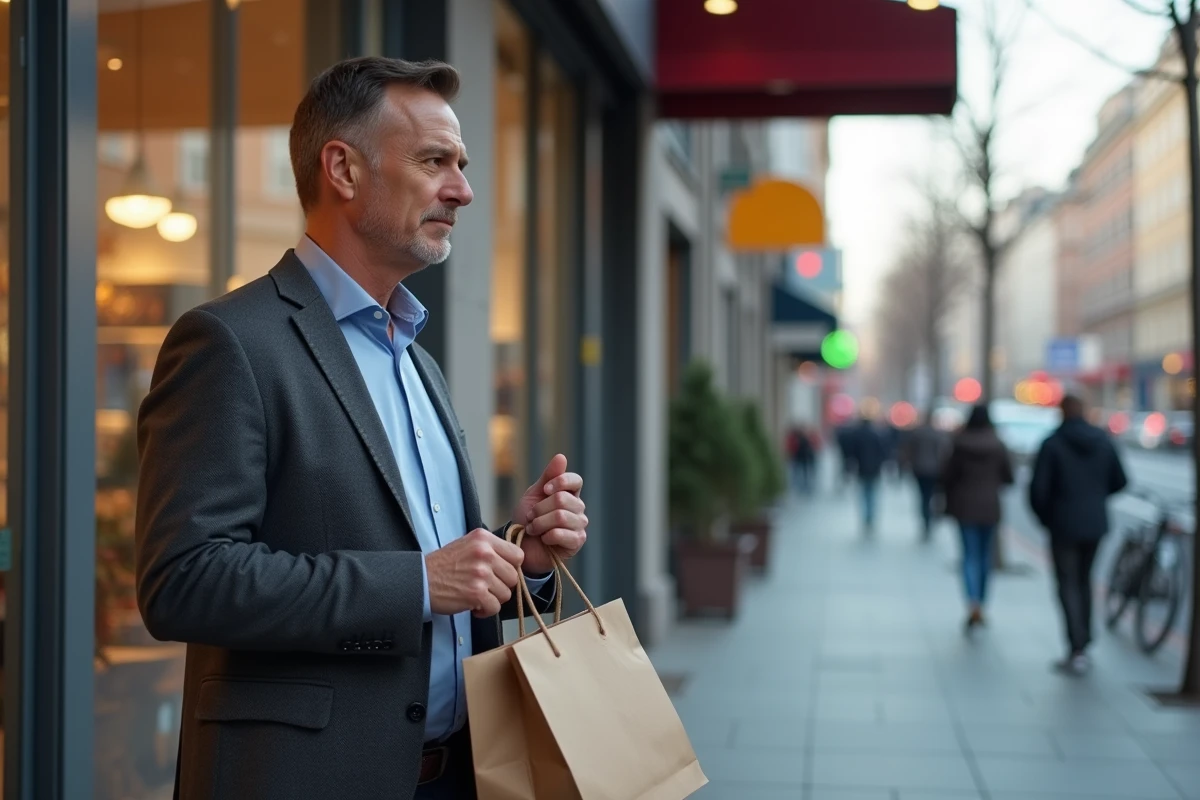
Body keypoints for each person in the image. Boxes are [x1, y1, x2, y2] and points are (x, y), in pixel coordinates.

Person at [134, 57, 590, 800]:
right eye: (435, 161)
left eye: (462, 164)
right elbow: (183, 581)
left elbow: (440, 580)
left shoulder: (417, 361)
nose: (463, 190)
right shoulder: (228, 343)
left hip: (459, 775)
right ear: (342, 170)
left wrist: (521, 559)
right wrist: (417, 581)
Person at [1029, 394, 1128, 674]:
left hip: (1062, 524)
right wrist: (1095, 497)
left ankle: (1077, 646)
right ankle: (1083, 641)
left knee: (1067, 584)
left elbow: (1038, 491)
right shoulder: (1102, 441)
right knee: (1084, 581)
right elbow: (1120, 480)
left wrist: (1047, 517)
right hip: (1094, 523)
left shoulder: (1052, 444)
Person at [942, 404, 1014, 631]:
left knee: (969, 556)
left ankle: (972, 602)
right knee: (984, 558)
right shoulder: (998, 444)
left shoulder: (959, 443)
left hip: (964, 507)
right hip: (990, 507)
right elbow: (1009, 477)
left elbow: (947, 476)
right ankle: (981, 603)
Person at [902, 411, 950, 541]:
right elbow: (944, 453)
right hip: (934, 470)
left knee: (923, 497)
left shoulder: (917, 434)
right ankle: (930, 519)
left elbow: (908, 451)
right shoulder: (938, 435)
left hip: (920, 470)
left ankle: (926, 520)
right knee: (932, 496)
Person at [846, 415, 888, 533]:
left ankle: (865, 517)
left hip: (862, 469)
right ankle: (870, 516)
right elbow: (883, 452)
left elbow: (852, 452)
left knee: (863, 494)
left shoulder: (857, 435)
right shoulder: (876, 435)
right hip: (874, 469)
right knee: (872, 494)